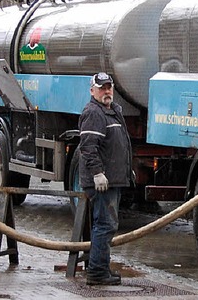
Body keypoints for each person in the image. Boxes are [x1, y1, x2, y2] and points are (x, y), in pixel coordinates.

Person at [78, 72, 132, 286]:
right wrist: (97, 173)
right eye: (102, 88)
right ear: (92, 91)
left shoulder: (113, 111)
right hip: (102, 182)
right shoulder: (94, 113)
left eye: (109, 87)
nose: (107, 91)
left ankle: (100, 267)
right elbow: (88, 147)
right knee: (105, 225)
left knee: (107, 224)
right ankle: (98, 272)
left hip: (113, 179)